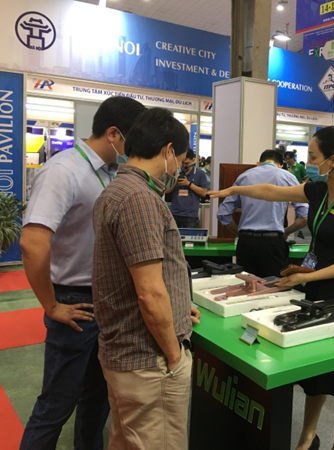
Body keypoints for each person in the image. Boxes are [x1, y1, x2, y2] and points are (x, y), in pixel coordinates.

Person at [210, 127, 334, 450]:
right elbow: (271, 191)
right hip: (312, 287)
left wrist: (306, 278)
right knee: (315, 374)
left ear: (332, 160)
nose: (307, 162)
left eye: (312, 156)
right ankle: (306, 439)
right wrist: (234, 188)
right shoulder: (318, 190)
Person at [19, 96, 146, 450]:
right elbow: (32, 242)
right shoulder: (63, 171)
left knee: (97, 401)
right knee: (56, 406)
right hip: (73, 302)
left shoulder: (113, 174)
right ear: (114, 134)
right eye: (133, 140)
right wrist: (51, 305)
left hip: (107, 303)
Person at [92, 107, 200, 449]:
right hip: (149, 361)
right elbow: (149, 293)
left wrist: (179, 307)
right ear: (168, 151)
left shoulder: (117, 190)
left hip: (128, 352)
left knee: (127, 440)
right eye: (179, 160)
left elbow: (134, 274)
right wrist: (174, 356)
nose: (178, 169)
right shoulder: (139, 198)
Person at [216, 149, 308, 278]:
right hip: (272, 243)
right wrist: (286, 232)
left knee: (246, 286)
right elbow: (305, 216)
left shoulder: (244, 176)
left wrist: (239, 233)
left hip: (246, 243)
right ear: (280, 164)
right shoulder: (286, 176)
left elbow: (222, 213)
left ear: (259, 163)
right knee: (273, 286)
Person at [167, 149, 209, 228]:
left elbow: (204, 193)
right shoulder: (174, 172)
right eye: (182, 163)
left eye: (187, 163)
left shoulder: (200, 174)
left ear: (193, 160)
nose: (184, 165)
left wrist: (188, 184)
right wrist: (175, 182)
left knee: (190, 235)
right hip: (175, 213)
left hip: (191, 215)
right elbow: (167, 191)